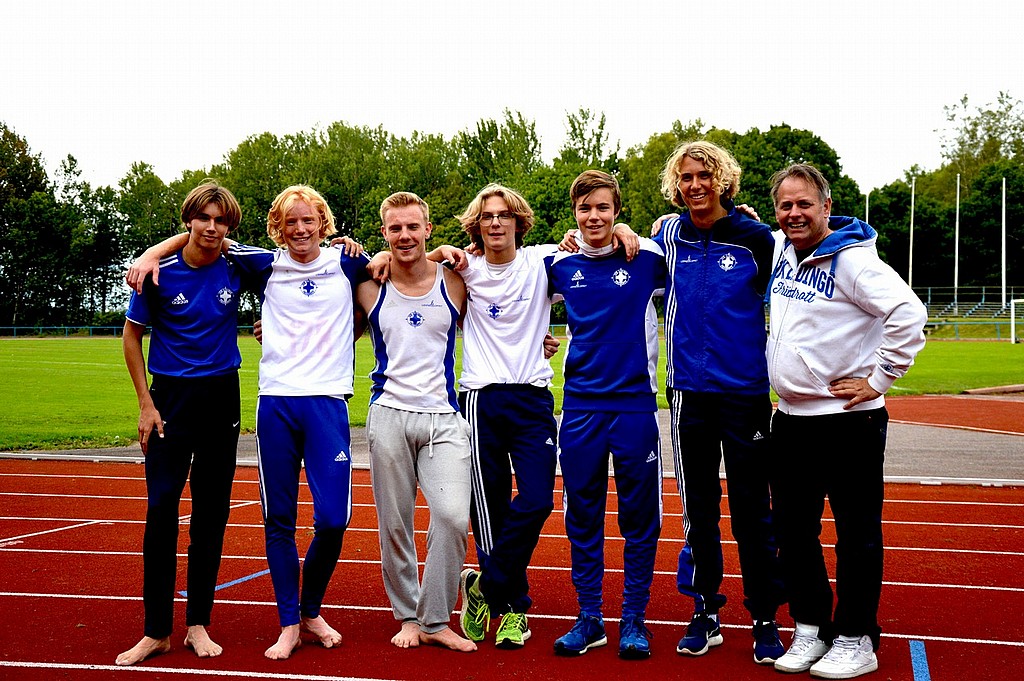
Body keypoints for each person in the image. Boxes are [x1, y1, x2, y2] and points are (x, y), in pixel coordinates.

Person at [125, 185, 368, 661]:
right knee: (165, 512)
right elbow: (197, 245)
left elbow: (389, 274)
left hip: (244, 399)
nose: (301, 228)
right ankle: (161, 630)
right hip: (195, 400)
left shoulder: (339, 262)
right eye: (291, 221)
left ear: (323, 223)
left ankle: (217, 622)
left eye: (309, 220)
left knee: (227, 515)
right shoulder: (253, 264)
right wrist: (152, 252)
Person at [765, 164, 927, 679]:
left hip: (848, 422)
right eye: (785, 205)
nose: (794, 213)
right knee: (793, 533)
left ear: (826, 207)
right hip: (790, 419)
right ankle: (811, 626)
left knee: (856, 535)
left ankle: (857, 637)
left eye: (804, 204)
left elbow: (909, 314)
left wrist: (880, 379)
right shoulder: (781, 248)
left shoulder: (854, 260)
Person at [652, 141, 785, 664]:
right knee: (699, 510)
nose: (695, 185)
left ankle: (765, 616)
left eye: (704, 176)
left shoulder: (757, 239)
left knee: (753, 511)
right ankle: (705, 610)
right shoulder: (668, 235)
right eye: (686, 177)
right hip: (688, 394)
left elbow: (802, 270)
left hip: (745, 392)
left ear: (723, 181)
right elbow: (618, 246)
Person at [117, 181, 248, 666]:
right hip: (169, 401)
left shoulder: (237, 265)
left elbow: (297, 262)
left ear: (229, 227)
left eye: (221, 221)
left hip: (221, 398)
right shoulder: (157, 273)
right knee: (161, 513)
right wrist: (146, 404)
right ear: (189, 220)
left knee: (211, 515)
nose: (212, 227)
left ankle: (197, 624)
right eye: (204, 218)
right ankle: (156, 632)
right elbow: (131, 338)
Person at [543, 170, 666, 660]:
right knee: (583, 516)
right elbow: (504, 283)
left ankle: (634, 617)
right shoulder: (558, 263)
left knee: (640, 518)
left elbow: (696, 252)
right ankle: (589, 616)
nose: (593, 217)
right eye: (584, 209)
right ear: (574, 213)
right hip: (580, 408)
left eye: (603, 208)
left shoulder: (648, 257)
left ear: (617, 211)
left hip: (634, 406)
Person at [356, 191, 476, 652]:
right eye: (395, 228)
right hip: (388, 413)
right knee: (395, 524)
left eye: (412, 227)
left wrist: (540, 338)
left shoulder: (455, 280)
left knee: (452, 516)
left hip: (443, 416)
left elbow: (502, 313)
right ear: (384, 233)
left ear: (428, 229)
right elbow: (319, 318)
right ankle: (409, 616)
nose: (404, 235)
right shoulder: (368, 285)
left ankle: (436, 618)